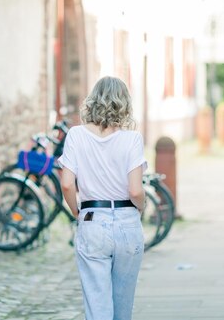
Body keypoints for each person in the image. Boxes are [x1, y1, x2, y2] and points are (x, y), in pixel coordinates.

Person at [58, 76, 146, 320]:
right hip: (127, 221)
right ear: (124, 103)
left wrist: (78, 212)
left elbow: (66, 184)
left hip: (92, 219)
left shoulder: (76, 136)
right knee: (123, 305)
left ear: (92, 100)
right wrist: (141, 208)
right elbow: (136, 191)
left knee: (97, 305)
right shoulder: (132, 139)